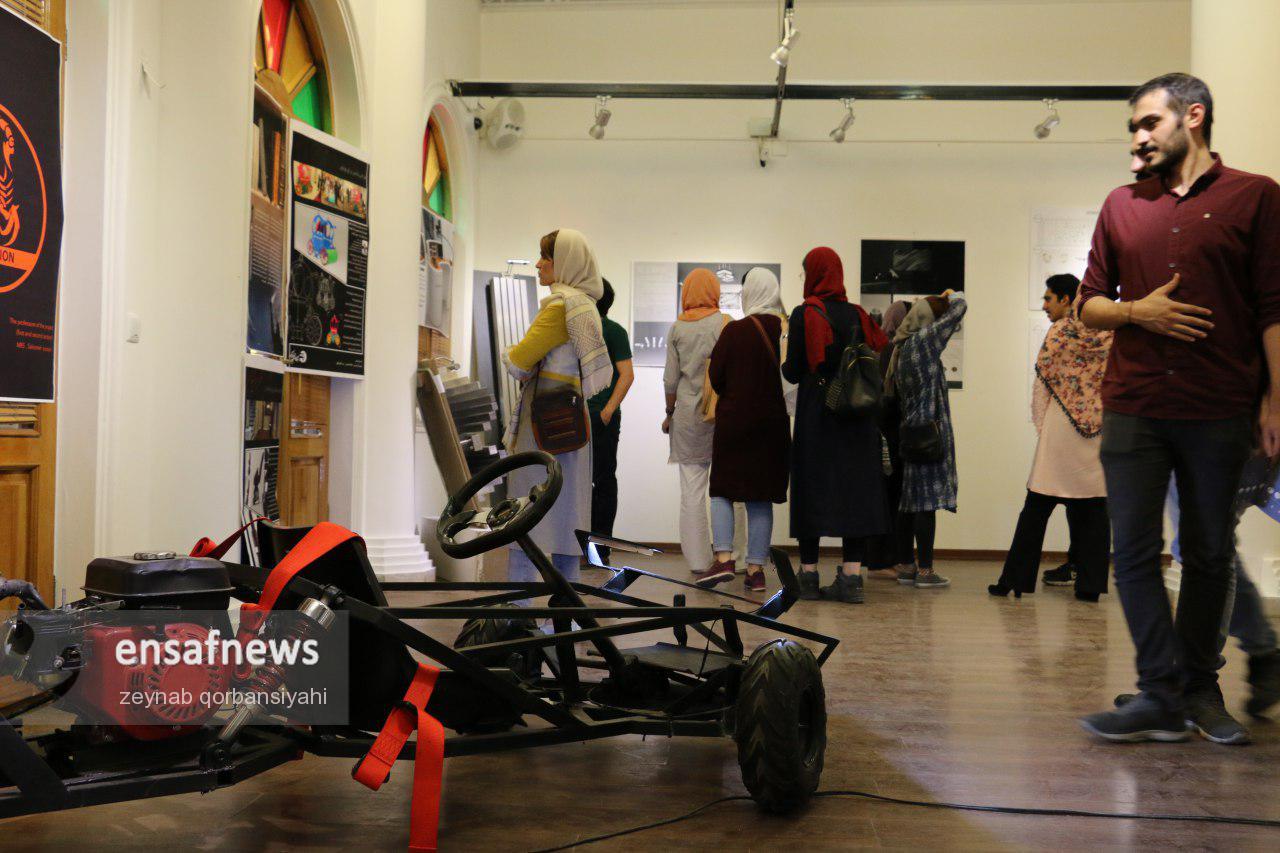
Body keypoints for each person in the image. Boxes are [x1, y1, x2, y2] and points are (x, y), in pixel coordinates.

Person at [1076, 73, 1280, 745]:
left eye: (1149, 123)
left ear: (1193, 116)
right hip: (1134, 404)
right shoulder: (1121, 204)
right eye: (1132, 127)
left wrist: (1276, 401)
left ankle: (1197, 688)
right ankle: (1161, 692)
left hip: (1220, 405)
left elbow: (1274, 307)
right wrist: (1138, 311)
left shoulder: (1255, 196)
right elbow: (1089, 303)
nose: (1137, 137)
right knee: (1133, 553)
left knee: (1209, 552)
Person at [989, 274, 1112, 601]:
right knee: (1094, 510)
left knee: (1035, 509)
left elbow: (1042, 385)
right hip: (1098, 430)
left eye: (1048, 298)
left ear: (1066, 299)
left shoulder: (1060, 331)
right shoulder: (1110, 333)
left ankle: (1015, 580)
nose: (1044, 305)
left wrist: (1044, 429)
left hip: (1061, 429)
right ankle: (1090, 587)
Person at [502, 228, 612, 587]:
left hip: (541, 428)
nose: (538, 264)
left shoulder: (560, 307)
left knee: (524, 516)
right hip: (572, 423)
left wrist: (509, 352)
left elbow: (519, 361)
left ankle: (517, 606)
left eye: (545, 257)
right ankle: (565, 607)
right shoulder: (586, 306)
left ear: (563, 262)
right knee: (568, 519)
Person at [782, 247, 890, 604]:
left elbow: (794, 370)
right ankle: (851, 577)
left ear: (814, 273)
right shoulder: (858, 314)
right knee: (855, 491)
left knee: (811, 487)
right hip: (857, 417)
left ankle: (809, 574)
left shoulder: (805, 313)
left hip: (818, 414)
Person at [699, 268, 791, 591]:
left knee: (723, 490)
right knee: (761, 496)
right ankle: (756, 571)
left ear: (748, 292)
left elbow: (716, 376)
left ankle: (724, 559)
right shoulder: (785, 330)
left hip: (735, 422)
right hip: (773, 425)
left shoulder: (734, 331)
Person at [885, 291, 967, 589]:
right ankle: (926, 571)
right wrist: (951, 295)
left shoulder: (902, 347)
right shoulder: (923, 342)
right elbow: (960, 307)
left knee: (910, 502)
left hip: (910, 432)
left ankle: (907, 565)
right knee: (925, 504)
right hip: (927, 435)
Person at [663, 268, 727, 578]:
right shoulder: (725, 324)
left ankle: (698, 560)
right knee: (729, 490)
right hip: (722, 413)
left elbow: (670, 379)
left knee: (691, 490)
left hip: (688, 416)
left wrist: (669, 411)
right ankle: (734, 556)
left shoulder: (677, 329)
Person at [864, 300, 914, 579]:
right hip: (889, 435)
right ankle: (881, 562)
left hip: (881, 433)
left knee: (887, 498)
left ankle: (883, 560)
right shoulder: (892, 350)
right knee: (889, 499)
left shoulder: (881, 347)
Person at [587, 278, 634, 565]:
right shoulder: (583, 329)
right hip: (581, 416)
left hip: (600, 417)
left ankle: (599, 550)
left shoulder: (613, 331)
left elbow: (627, 375)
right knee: (589, 483)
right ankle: (585, 549)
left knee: (602, 481)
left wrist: (607, 410)